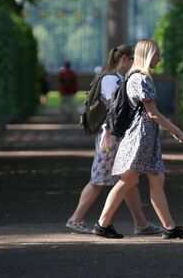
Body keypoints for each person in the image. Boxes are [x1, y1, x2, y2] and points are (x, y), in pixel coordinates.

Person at [92, 39, 183, 239]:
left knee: (155, 180)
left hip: (144, 137)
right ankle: (102, 224)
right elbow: (153, 114)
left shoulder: (133, 77)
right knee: (127, 181)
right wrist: (178, 132)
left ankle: (170, 228)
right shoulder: (142, 79)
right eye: (157, 54)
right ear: (148, 55)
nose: (159, 58)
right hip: (141, 138)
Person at [66, 45, 163, 236]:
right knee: (99, 179)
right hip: (109, 137)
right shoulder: (112, 80)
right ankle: (76, 219)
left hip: (113, 135)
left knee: (127, 179)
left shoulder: (116, 78)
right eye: (133, 59)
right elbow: (113, 111)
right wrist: (110, 134)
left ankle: (141, 224)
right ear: (124, 59)